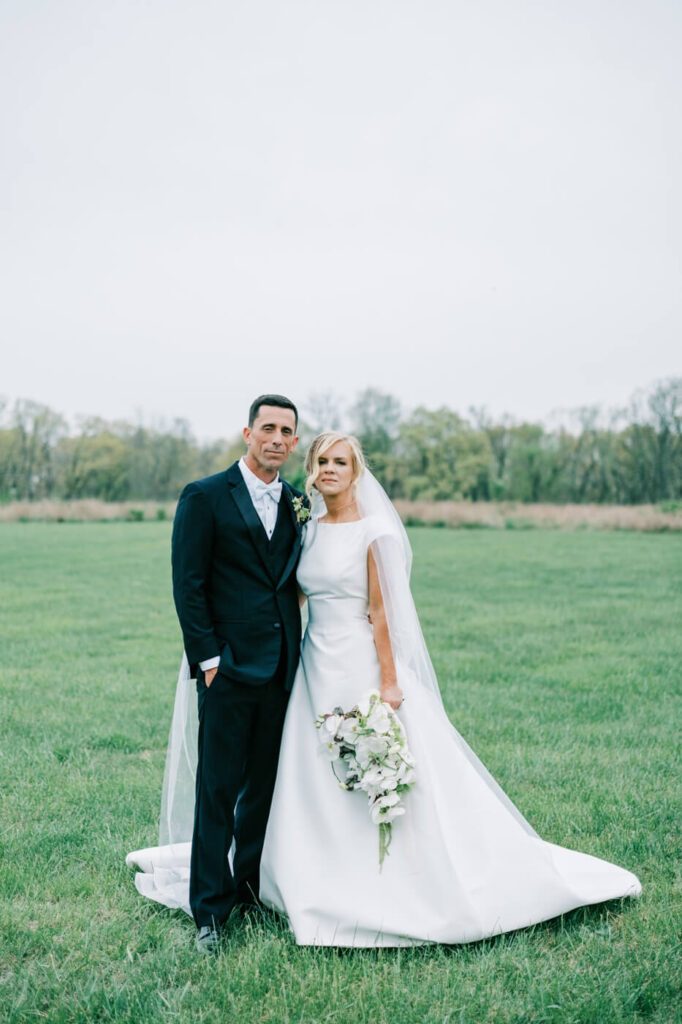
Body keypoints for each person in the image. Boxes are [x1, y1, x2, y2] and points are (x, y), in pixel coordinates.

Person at [257, 431, 642, 946]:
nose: (329, 469)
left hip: (360, 666)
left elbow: (380, 613)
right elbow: (301, 597)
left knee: (378, 765)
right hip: (314, 668)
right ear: (313, 468)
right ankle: (314, 875)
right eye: (322, 460)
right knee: (315, 772)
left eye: (340, 462)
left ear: (356, 472)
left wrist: (389, 683)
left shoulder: (373, 533)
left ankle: (388, 878)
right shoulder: (310, 529)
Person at [128, 394, 308, 955]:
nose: (278, 439)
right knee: (218, 790)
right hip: (227, 670)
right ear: (248, 434)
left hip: (283, 671)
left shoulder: (299, 502)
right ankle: (209, 909)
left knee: (264, 790)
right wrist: (209, 662)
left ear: (294, 442)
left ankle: (248, 891)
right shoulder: (205, 496)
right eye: (269, 428)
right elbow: (189, 584)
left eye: (288, 432)